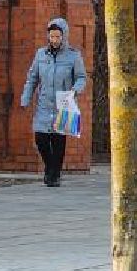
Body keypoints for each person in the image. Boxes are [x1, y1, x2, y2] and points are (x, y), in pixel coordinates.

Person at [20, 17, 88, 187]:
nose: (55, 40)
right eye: (52, 36)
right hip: (44, 102)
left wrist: (75, 90)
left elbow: (81, 77)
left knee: (58, 140)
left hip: (64, 102)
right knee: (41, 138)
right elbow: (32, 78)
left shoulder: (73, 55)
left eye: (58, 36)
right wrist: (26, 98)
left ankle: (54, 175)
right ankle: (50, 167)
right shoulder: (41, 54)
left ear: (64, 36)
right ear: (48, 36)